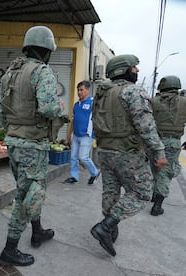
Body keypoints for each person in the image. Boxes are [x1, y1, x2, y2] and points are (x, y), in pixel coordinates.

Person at [0, 26, 63, 266]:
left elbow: (3, 112)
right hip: (32, 144)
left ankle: (37, 231)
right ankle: (10, 248)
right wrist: (59, 110)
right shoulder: (41, 71)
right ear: (46, 50)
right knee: (30, 194)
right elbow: (48, 108)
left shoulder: (10, 73)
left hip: (14, 142)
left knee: (27, 189)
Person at [91, 54, 167, 257]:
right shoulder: (132, 91)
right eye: (134, 67)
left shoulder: (101, 93)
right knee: (142, 192)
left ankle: (110, 231)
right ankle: (106, 227)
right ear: (123, 70)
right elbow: (146, 127)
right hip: (127, 153)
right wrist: (158, 151)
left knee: (110, 191)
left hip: (105, 151)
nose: (137, 71)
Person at [149, 76, 186, 216]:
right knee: (166, 172)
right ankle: (157, 206)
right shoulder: (184, 102)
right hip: (173, 142)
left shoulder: (154, 101)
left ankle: (153, 195)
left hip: (155, 141)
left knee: (154, 168)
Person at [64, 81, 100, 185]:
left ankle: (95, 172)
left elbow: (98, 119)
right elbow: (73, 120)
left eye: (81, 90)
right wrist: (69, 135)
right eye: (78, 90)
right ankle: (74, 176)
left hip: (87, 135)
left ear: (87, 90)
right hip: (76, 135)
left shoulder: (93, 103)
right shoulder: (76, 105)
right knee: (73, 157)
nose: (79, 92)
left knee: (83, 157)